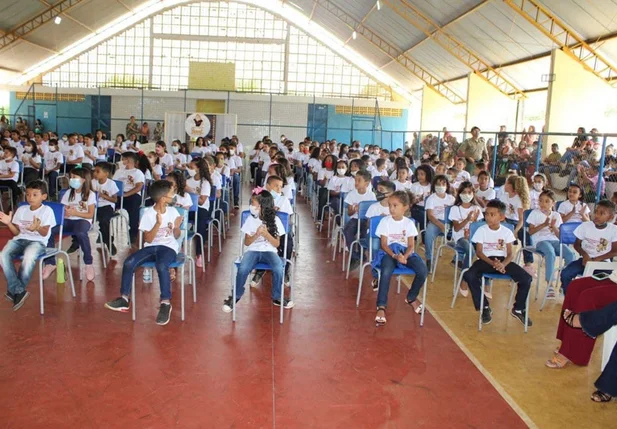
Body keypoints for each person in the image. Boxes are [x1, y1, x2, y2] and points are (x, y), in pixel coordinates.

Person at [105, 180, 182, 326]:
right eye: (172, 193)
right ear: (163, 198)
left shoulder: (173, 211)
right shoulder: (148, 213)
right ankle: (124, 298)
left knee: (161, 265)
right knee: (129, 262)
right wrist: (158, 224)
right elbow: (148, 239)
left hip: (168, 248)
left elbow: (176, 236)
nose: (174, 196)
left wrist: (177, 227)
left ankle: (165, 302)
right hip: (151, 247)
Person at [463, 199, 533, 326]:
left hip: (502, 261)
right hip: (486, 260)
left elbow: (510, 253)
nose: (488, 217)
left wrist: (502, 264)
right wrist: (492, 263)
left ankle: (518, 308)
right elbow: (479, 252)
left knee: (526, 278)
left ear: (501, 217)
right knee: (469, 275)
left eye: (492, 214)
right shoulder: (482, 230)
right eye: (486, 214)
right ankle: (484, 307)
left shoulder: (506, 232)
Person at [222, 189, 294, 313]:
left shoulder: (275, 220)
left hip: (270, 252)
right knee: (243, 268)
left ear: (262, 206)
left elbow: (277, 244)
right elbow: (247, 242)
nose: (251, 206)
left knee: (278, 268)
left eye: (253, 204)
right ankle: (235, 296)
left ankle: (277, 297)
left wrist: (266, 234)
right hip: (253, 251)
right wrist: (256, 234)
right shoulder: (251, 219)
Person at [373, 190, 427, 326]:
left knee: (422, 271)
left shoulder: (409, 223)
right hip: (390, 253)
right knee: (386, 272)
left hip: (405, 253)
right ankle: (381, 306)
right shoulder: (385, 221)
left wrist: (405, 256)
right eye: (390, 205)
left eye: (395, 206)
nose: (391, 209)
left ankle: (411, 297)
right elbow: (384, 244)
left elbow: (411, 245)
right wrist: (395, 255)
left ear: (405, 207)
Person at [0, 180, 55, 310]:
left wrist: (37, 227)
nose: (30, 197)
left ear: (44, 196)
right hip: (20, 239)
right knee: (3, 255)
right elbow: (17, 232)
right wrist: (9, 223)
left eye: (35, 194)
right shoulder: (22, 209)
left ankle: (15, 290)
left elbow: (45, 233)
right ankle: (19, 290)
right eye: (28, 194)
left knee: (29, 256)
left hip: (38, 242)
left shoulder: (47, 210)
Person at [43, 168, 96, 282]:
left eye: (74, 177)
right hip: (69, 220)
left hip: (83, 220)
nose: (71, 180)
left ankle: (88, 263)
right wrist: (65, 212)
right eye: (71, 177)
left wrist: (76, 212)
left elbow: (90, 214)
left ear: (83, 180)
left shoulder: (90, 194)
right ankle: (50, 263)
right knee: (49, 230)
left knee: (80, 232)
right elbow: (62, 209)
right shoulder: (68, 193)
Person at [560, 200, 617, 293]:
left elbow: (615, 251)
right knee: (565, 274)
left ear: (610, 217)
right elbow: (577, 245)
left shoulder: (614, 230)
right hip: (585, 261)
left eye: (602, 213)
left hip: (603, 263)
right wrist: (585, 255)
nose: (597, 215)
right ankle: (569, 301)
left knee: (606, 283)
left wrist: (597, 259)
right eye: (596, 212)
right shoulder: (585, 226)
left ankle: (593, 304)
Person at [528, 190, 574, 298]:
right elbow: (530, 232)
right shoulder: (535, 213)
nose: (543, 204)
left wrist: (553, 227)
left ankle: (565, 283)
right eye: (541, 201)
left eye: (547, 201)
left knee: (570, 254)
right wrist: (544, 224)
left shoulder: (556, 215)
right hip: (540, 241)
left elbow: (560, 237)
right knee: (550, 252)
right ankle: (550, 284)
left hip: (555, 241)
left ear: (553, 203)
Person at [449, 181, 483, 296]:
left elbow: (480, 227)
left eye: (469, 192)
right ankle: (464, 279)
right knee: (470, 250)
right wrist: (468, 219)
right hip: (460, 238)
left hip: (474, 237)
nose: (467, 195)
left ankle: (485, 282)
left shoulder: (476, 208)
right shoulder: (455, 208)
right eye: (464, 192)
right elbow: (457, 228)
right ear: (459, 194)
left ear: (473, 193)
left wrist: (474, 223)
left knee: (486, 251)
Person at [501, 175, 534, 276]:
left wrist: (515, 231)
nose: (504, 185)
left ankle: (528, 264)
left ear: (511, 186)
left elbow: (521, 220)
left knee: (526, 236)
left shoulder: (518, 199)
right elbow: (501, 213)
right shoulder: (504, 196)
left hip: (516, 223)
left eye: (507, 183)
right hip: (504, 220)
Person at [343, 170, 376, 269]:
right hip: (355, 219)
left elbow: (372, 212)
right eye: (355, 180)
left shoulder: (371, 195)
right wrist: (354, 210)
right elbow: (349, 213)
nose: (356, 183)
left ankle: (362, 253)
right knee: (347, 231)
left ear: (367, 183)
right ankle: (355, 256)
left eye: (359, 180)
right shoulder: (351, 194)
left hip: (366, 220)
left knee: (365, 234)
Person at [424, 175, 455, 271]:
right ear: (434, 186)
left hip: (450, 222)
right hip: (436, 222)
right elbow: (431, 216)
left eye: (443, 184)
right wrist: (440, 225)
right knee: (428, 233)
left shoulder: (451, 199)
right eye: (438, 184)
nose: (440, 186)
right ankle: (429, 258)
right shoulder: (431, 198)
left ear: (447, 185)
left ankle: (459, 260)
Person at [185, 157, 212, 268]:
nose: (189, 169)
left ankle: (199, 254)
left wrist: (190, 191)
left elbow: (201, 202)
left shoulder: (205, 183)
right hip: (188, 207)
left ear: (199, 169)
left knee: (200, 224)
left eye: (192, 167)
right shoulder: (187, 180)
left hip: (201, 209)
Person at [113, 152, 145, 244]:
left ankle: (133, 234)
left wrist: (126, 194)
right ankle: (105, 231)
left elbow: (139, 187)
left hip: (132, 195)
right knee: (108, 204)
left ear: (129, 160)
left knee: (134, 208)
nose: (122, 161)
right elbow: (114, 184)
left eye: (124, 159)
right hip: (119, 195)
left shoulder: (138, 172)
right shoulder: (119, 171)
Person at [91, 162, 119, 256]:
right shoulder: (93, 182)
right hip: (94, 206)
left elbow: (115, 200)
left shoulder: (111, 184)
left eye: (97, 171)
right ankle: (77, 243)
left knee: (104, 219)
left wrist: (102, 195)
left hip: (107, 206)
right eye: (94, 171)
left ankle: (108, 242)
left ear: (106, 173)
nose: (95, 173)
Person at [409, 164, 433, 237]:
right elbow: (411, 202)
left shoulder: (431, 186)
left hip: (429, 209)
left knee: (429, 215)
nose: (419, 176)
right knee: (424, 216)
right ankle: (424, 238)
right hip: (417, 208)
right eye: (418, 174)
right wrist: (419, 199)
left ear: (428, 175)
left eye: (422, 174)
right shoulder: (414, 186)